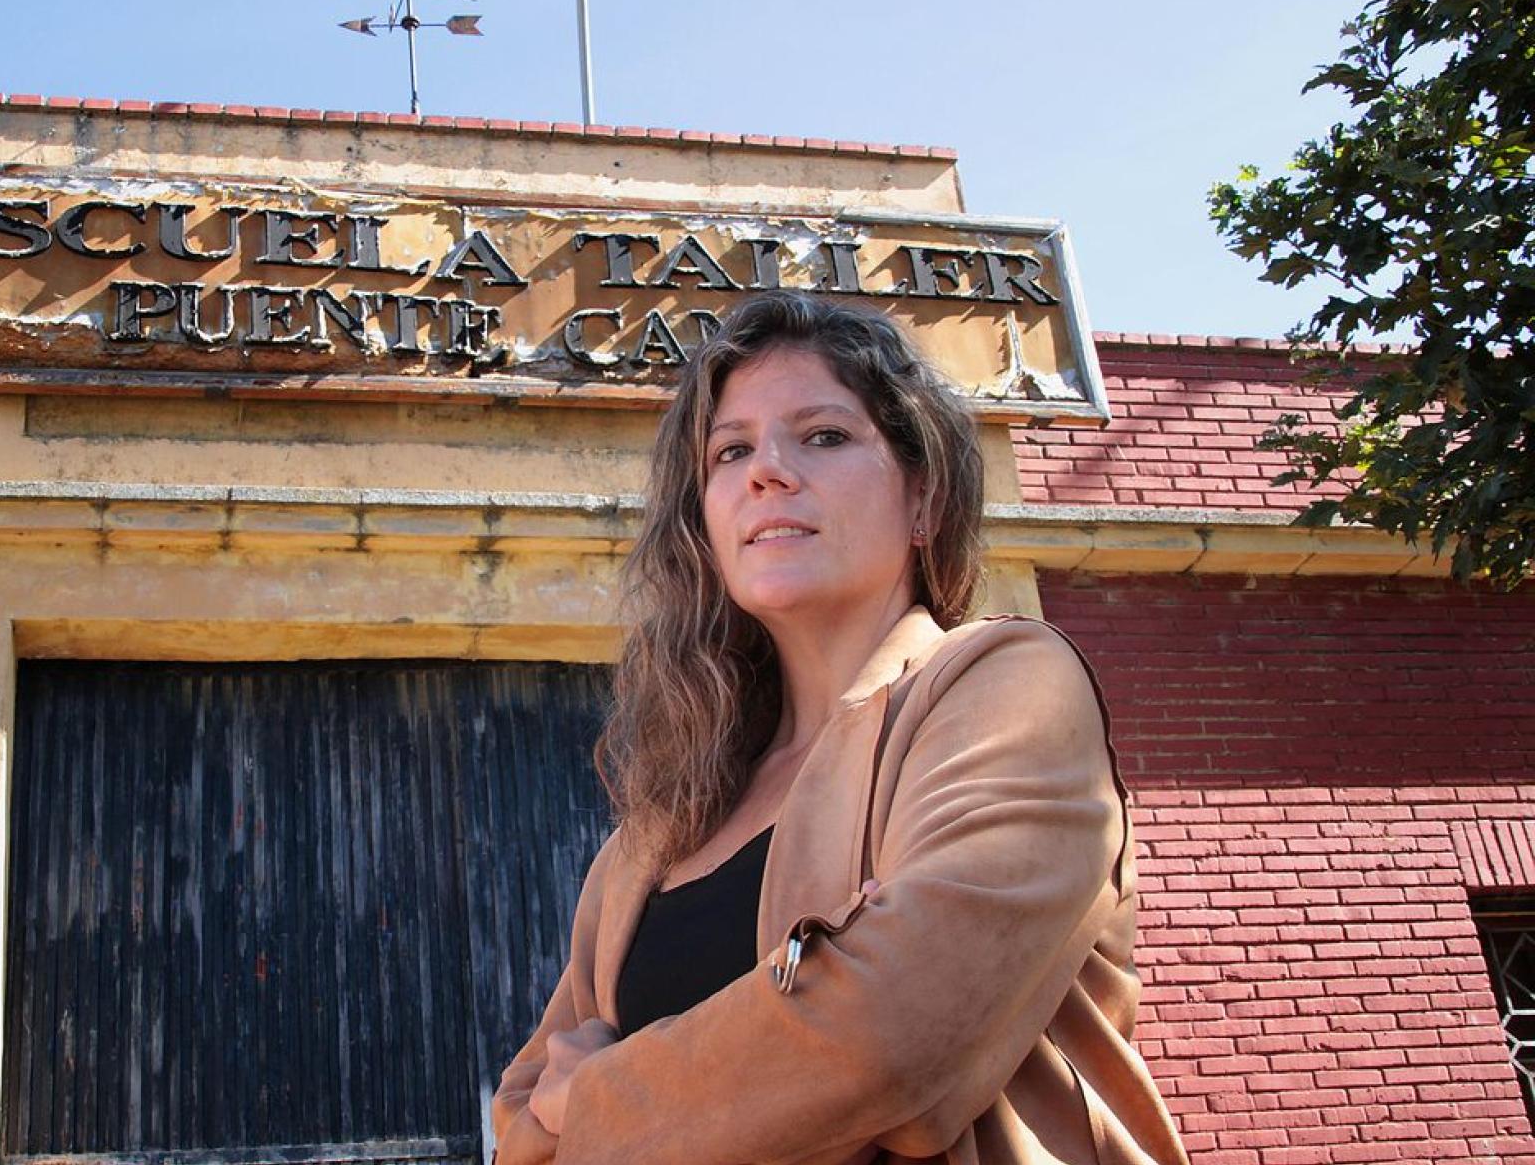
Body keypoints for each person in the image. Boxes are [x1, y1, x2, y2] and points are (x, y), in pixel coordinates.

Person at [490, 292, 1189, 1165]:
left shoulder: (1003, 685)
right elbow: (520, 1114)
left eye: (824, 436)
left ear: (924, 495)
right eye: (731, 449)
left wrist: (599, 1097)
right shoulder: (657, 831)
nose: (767, 471)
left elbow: (892, 1040)